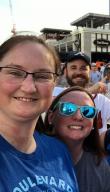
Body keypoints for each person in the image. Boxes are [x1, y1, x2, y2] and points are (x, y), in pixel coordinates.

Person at [0, 35, 78, 191]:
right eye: (15, 72)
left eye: (42, 76)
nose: (29, 88)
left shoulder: (59, 151)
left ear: (54, 84)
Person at [45, 86, 110, 192]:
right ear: (51, 117)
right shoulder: (29, 159)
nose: (78, 116)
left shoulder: (100, 166)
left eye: (87, 111)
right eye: (68, 108)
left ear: (93, 124)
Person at [54, 51, 110, 134]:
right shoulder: (56, 92)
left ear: (89, 72)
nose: (78, 72)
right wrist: (89, 91)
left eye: (83, 68)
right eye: (73, 68)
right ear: (66, 71)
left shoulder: (103, 102)